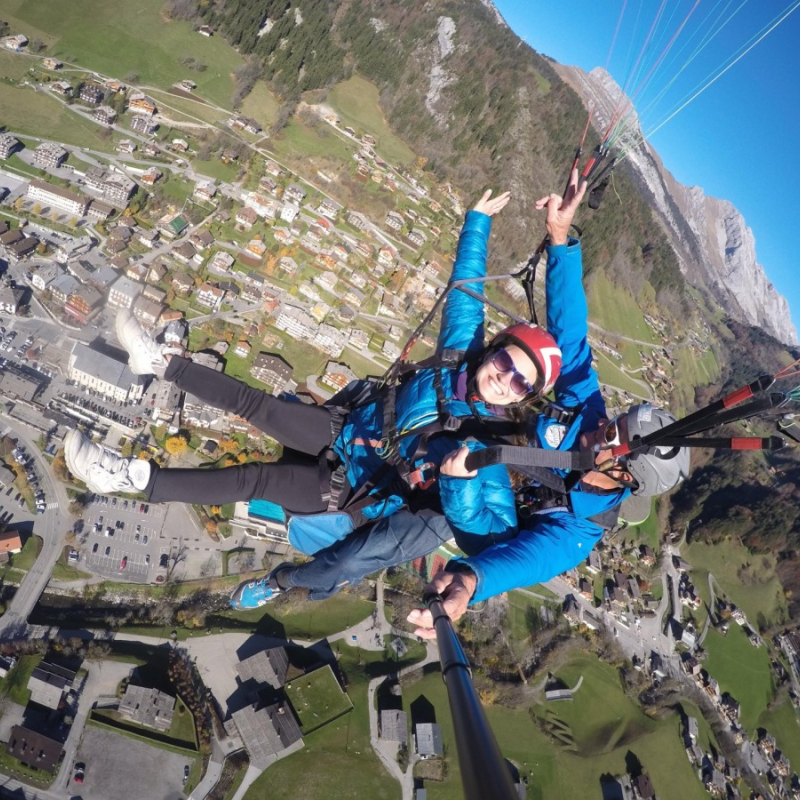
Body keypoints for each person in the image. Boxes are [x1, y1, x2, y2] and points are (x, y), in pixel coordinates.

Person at [64, 190, 563, 606]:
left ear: (524, 397)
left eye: (520, 383)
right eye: (505, 362)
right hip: (351, 429)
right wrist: (477, 222)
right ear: (492, 349)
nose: (504, 379)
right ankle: (157, 362)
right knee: (258, 406)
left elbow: (491, 532)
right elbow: (465, 290)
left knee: (255, 479)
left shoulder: (490, 446)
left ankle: (130, 478)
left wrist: (459, 484)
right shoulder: (458, 357)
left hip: (355, 491)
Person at [406, 176, 691, 638]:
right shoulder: (587, 415)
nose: (602, 427)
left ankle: (289, 580)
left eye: (612, 436)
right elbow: (572, 338)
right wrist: (560, 240)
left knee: (385, 535)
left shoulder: (574, 534)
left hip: (471, 510)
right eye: (614, 421)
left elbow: (521, 563)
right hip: (470, 446)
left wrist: (465, 583)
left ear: (625, 475)